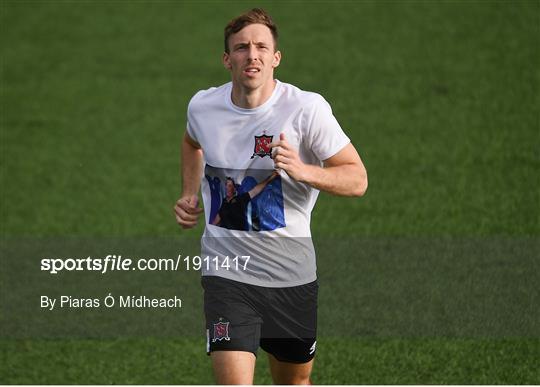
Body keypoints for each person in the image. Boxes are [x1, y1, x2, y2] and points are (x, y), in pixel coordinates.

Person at [174, 8, 367, 385]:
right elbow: (191, 141)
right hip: (226, 274)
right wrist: (187, 194)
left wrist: (303, 171)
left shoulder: (306, 110)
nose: (253, 55)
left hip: (290, 278)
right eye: (242, 47)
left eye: (262, 46)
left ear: (276, 58)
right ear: (227, 59)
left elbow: (357, 179)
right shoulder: (203, 107)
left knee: (293, 382)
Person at [211, 172, 279, 230]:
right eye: (226, 185)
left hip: (238, 235)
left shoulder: (240, 199)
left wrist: (271, 177)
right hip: (225, 236)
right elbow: (215, 222)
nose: (227, 187)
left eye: (230, 185)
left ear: (234, 190)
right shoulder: (222, 204)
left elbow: (255, 190)